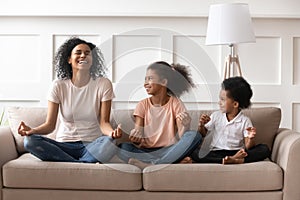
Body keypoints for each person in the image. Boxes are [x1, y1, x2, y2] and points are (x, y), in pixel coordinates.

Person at [18, 37, 122, 163]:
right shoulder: (58, 85)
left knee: (110, 142)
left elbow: (104, 123)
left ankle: (71, 162)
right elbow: (50, 125)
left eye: (87, 53)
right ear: (69, 59)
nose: (83, 55)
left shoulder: (103, 84)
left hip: (92, 144)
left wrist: (112, 134)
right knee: (30, 141)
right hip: (63, 145)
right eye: (78, 52)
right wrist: (32, 130)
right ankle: (83, 163)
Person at [117, 61, 202, 169]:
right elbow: (138, 139)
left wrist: (185, 126)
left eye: (150, 79)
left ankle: (153, 164)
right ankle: (172, 161)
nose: (145, 83)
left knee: (194, 135)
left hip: (170, 149)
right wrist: (135, 138)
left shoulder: (176, 103)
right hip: (146, 151)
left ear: (164, 82)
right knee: (123, 147)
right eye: (145, 79)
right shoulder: (142, 105)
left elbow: (182, 137)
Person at [191, 76, 270, 164]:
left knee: (264, 149)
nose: (219, 102)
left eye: (223, 100)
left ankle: (234, 158)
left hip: (236, 151)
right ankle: (232, 159)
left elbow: (248, 147)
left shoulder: (244, 121)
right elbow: (203, 134)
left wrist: (251, 138)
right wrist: (201, 125)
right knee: (195, 152)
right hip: (216, 152)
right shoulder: (216, 116)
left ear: (235, 104)